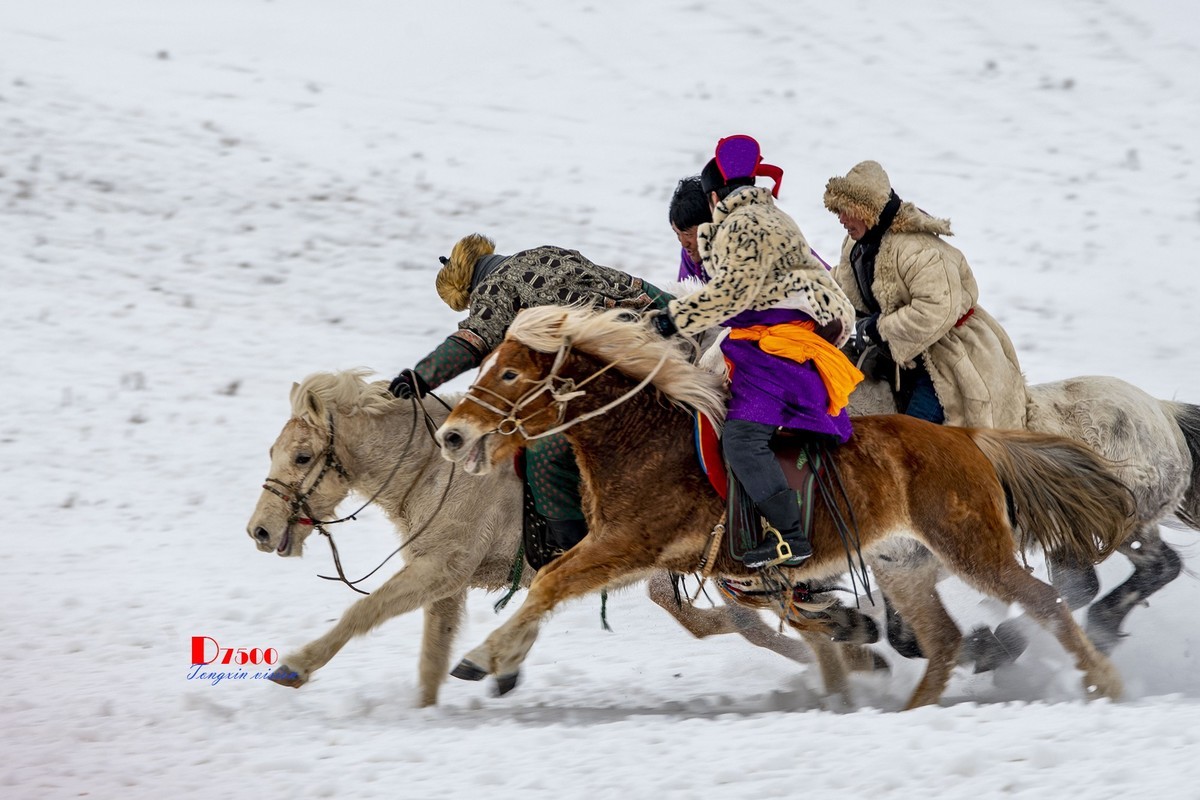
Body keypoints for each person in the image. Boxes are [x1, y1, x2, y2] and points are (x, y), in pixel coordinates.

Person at [388, 235, 672, 559]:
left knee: (544, 455)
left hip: (610, 369)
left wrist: (421, 376)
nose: (474, 308)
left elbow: (473, 338)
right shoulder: (546, 252)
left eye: (469, 305)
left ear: (466, 290)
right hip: (656, 339)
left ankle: (577, 552)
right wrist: (681, 315)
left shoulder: (493, 287)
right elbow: (630, 284)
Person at [653, 135, 862, 569]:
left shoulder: (741, 225)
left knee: (742, 439)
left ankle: (790, 537)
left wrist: (675, 319)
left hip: (779, 347)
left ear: (714, 199)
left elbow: (731, 294)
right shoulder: (762, 217)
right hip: (764, 342)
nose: (686, 244)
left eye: (687, 233)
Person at [822, 160, 1025, 429]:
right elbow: (844, 288)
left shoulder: (919, 249)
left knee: (912, 438)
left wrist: (879, 328)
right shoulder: (856, 245)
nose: (841, 219)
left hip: (946, 355)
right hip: (895, 353)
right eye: (838, 211)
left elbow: (937, 309)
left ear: (867, 210)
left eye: (846, 211)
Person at [669, 175, 712, 282]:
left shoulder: (735, 251)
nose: (684, 244)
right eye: (678, 234)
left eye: (688, 234)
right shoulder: (688, 254)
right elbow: (683, 293)